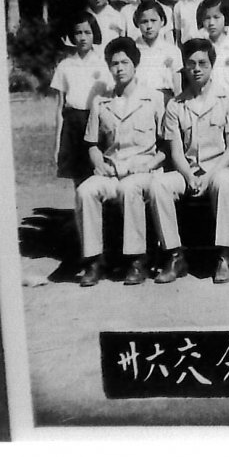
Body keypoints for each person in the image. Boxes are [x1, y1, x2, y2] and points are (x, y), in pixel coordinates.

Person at [75, 37, 168, 287]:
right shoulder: (101, 101)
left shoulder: (153, 99)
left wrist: (149, 165)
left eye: (125, 62)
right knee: (85, 191)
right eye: (114, 64)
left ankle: (137, 260)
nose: (119, 68)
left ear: (135, 64)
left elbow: (166, 146)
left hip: (143, 169)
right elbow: (92, 143)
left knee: (129, 189)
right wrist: (98, 162)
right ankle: (94, 260)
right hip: (111, 170)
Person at [151, 38, 229, 284]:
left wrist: (209, 175)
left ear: (212, 65)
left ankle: (225, 255)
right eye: (191, 64)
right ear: (184, 67)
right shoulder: (175, 105)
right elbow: (176, 151)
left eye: (203, 63)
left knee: (224, 181)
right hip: (188, 170)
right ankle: (175, 255)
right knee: (159, 185)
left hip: (219, 167)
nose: (197, 69)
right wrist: (189, 176)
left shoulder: (228, 99)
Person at [52, 14, 110, 187]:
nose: (83, 37)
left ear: (95, 34)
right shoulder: (65, 66)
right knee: (78, 178)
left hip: (96, 123)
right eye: (78, 33)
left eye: (87, 32)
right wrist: (57, 143)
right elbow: (60, 107)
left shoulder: (103, 64)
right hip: (73, 124)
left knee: (99, 173)